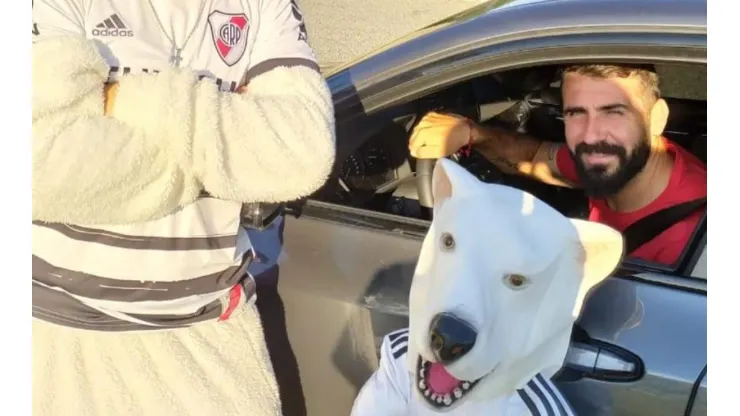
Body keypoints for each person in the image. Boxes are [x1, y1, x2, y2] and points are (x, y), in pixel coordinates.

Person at [32, 0, 334, 414]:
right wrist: (225, 158)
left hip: (212, 343)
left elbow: (304, 154)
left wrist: (119, 101)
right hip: (59, 340)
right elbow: (42, 164)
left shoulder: (268, 6)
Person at [408, 63, 706, 266]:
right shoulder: (622, 161)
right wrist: (474, 134)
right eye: (576, 113)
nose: (590, 134)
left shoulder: (693, 240)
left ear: (657, 118)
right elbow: (537, 157)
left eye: (613, 112)